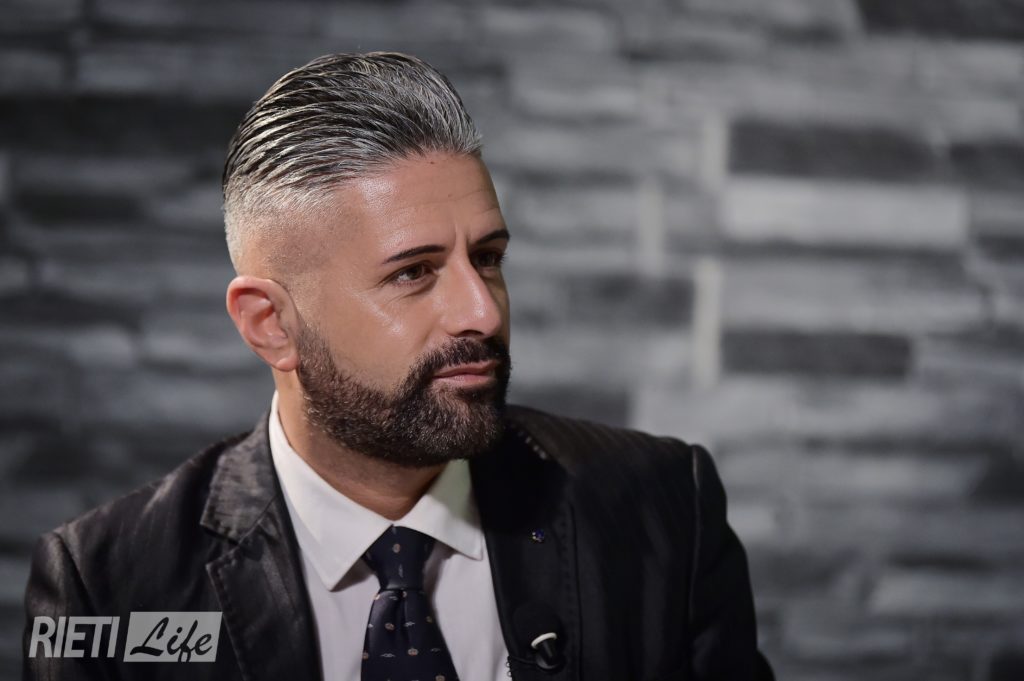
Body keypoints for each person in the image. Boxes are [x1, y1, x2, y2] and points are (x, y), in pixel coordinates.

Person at [23, 52, 773, 681]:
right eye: (414, 272)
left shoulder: (661, 509)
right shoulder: (108, 588)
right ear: (270, 324)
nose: (482, 312)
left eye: (488, 258)